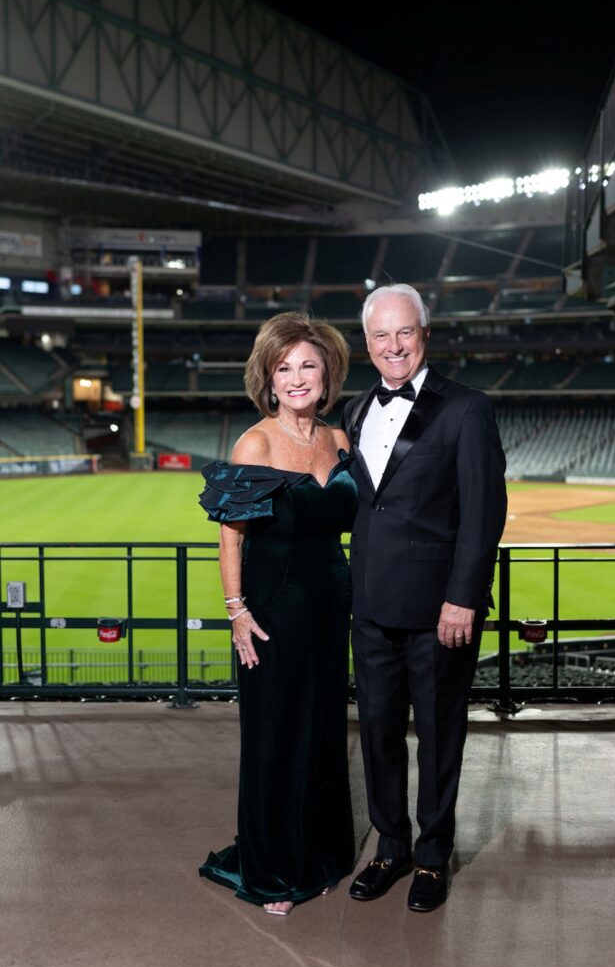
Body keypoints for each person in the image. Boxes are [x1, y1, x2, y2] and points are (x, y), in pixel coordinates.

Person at [341, 283, 507, 913]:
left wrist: (464, 597)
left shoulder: (467, 409)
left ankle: (433, 857)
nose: (393, 346)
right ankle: (391, 848)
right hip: (370, 606)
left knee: (439, 735)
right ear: (368, 343)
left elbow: (484, 512)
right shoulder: (356, 410)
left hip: (442, 611)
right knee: (379, 732)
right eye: (381, 335)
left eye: (403, 332)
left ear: (424, 334)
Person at [198, 312, 356, 916]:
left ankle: (320, 855)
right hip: (272, 614)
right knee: (274, 739)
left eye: (307, 365)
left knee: (321, 734)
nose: (296, 378)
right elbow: (231, 538)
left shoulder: (339, 439)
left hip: (330, 607)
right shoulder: (256, 442)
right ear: (267, 379)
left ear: (327, 373)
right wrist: (236, 611)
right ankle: (273, 870)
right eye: (283, 368)